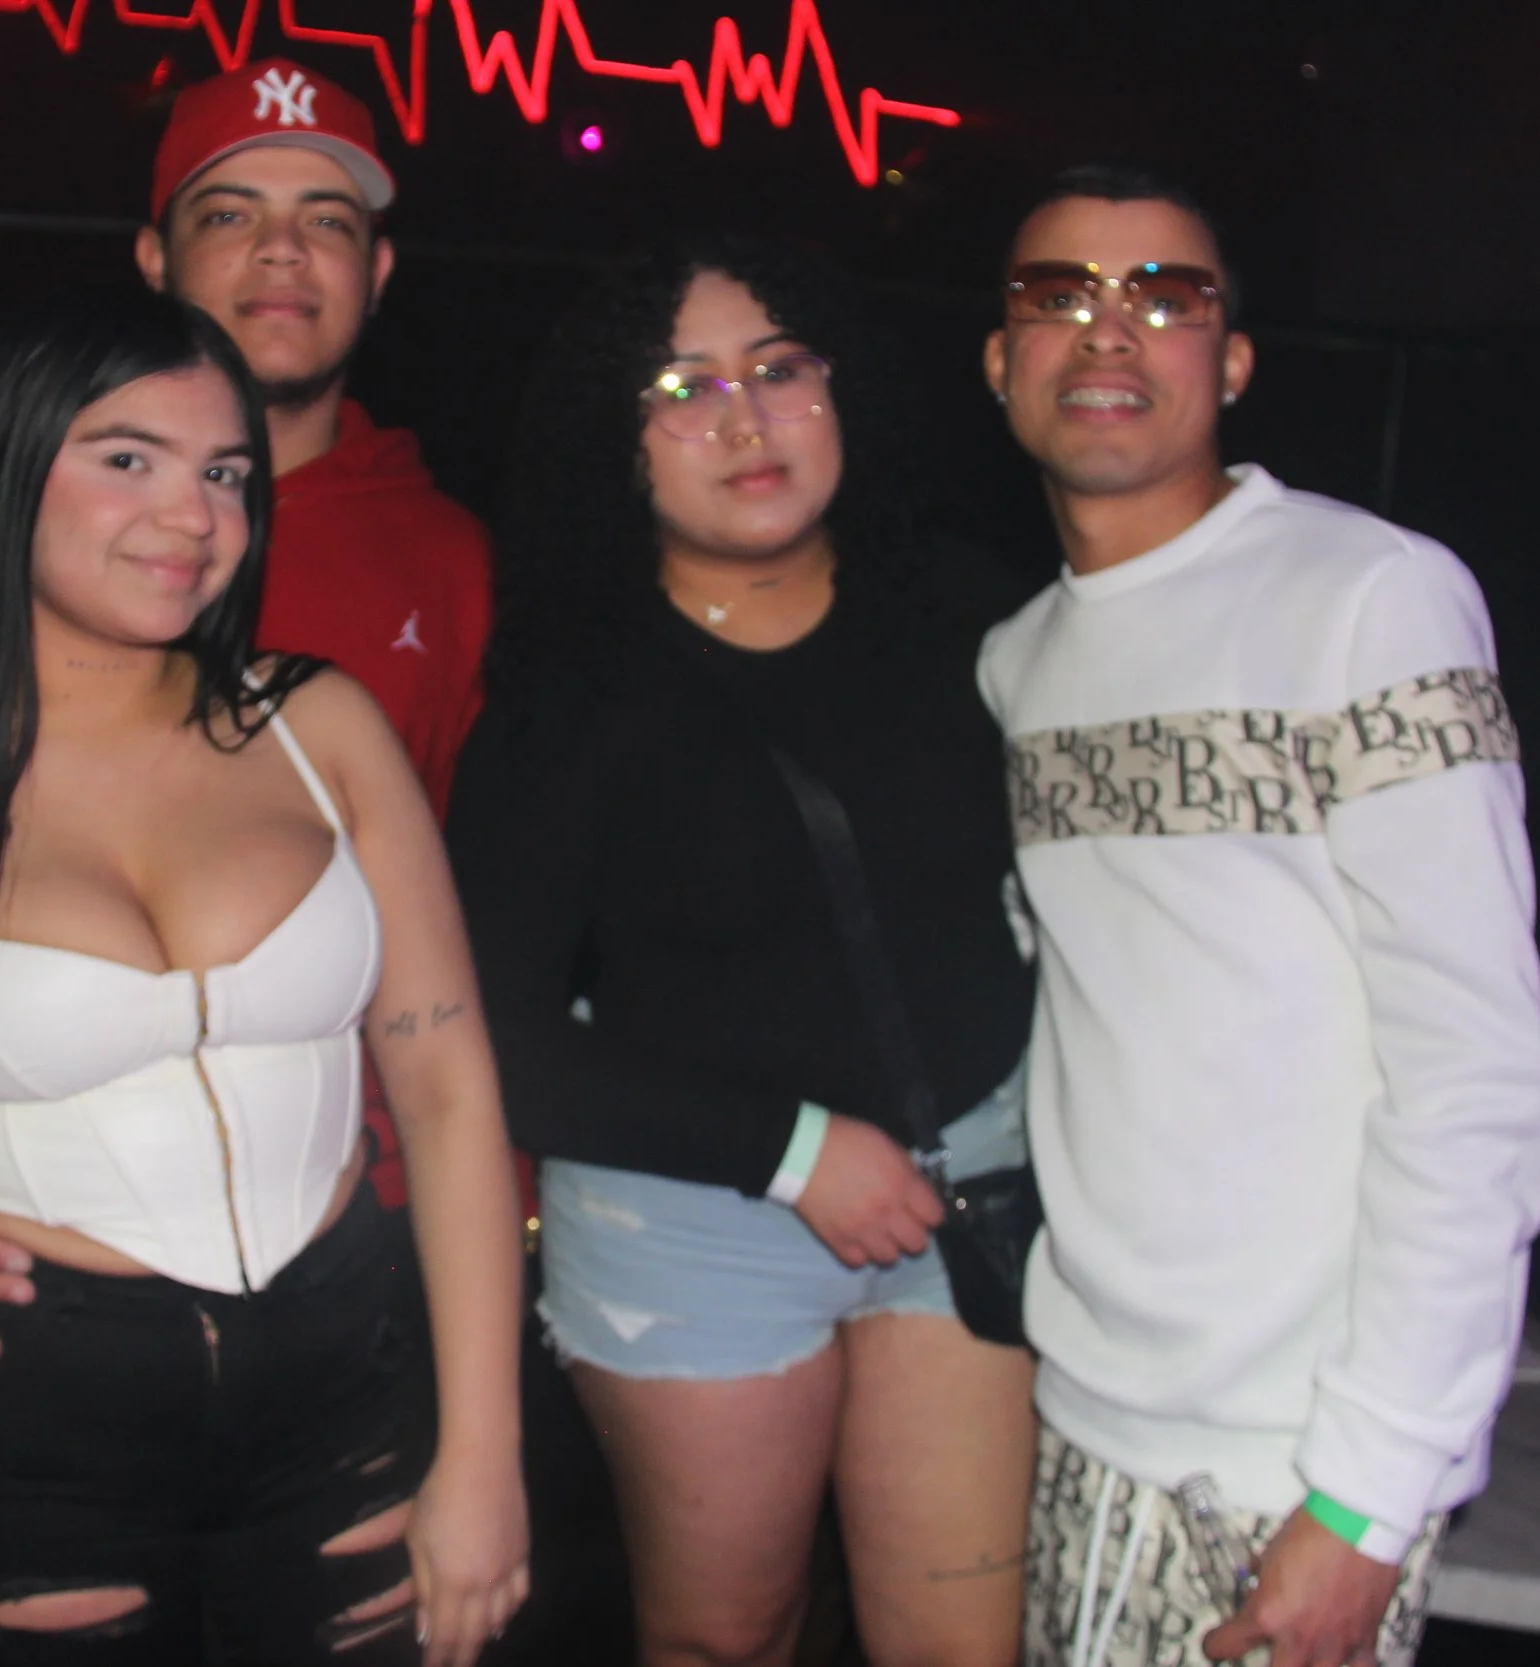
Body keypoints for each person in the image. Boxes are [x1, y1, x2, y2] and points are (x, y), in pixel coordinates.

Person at [0, 283, 528, 1666]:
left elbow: (448, 1092)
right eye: (127, 456)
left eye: (225, 473)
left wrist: (489, 1457)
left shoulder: (323, 725)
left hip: (345, 1397)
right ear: (5, 469)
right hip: (18, 1438)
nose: (194, 514)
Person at [975, 165, 1540, 1667]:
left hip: (1293, 1453)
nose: (1109, 330)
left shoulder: (1369, 597)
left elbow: (1479, 1072)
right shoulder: (1019, 660)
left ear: (1229, 360)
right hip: (1086, 1403)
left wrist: (1370, 1492)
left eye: (1165, 293)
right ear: (1002, 360)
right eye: (1060, 293)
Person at [0, 60, 492, 1374]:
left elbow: (474, 912)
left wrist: (489, 1191)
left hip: (357, 1228)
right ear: (153, 257)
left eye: (328, 220)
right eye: (229, 213)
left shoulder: (452, 552)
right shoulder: (3, 510)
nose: (283, 250)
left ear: (380, 270)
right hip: (16, 1230)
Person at [446, 237, 1038, 1667]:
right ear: (617, 434)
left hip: (976, 1195)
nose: (743, 416)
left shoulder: (985, 618)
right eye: (681, 384)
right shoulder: (565, 691)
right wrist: (790, 1149)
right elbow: (496, 1042)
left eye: (780, 368)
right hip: (696, 1224)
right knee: (728, 1637)